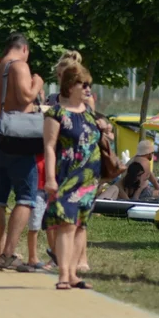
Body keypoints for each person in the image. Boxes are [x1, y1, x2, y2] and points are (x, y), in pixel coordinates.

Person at [0, 33, 44, 270]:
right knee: (26, 197)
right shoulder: (20, 66)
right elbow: (27, 95)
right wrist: (38, 82)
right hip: (21, 141)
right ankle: (7, 253)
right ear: (24, 49)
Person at [43, 63, 101, 290]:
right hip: (67, 174)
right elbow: (49, 146)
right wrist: (49, 178)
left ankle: (74, 273)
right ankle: (63, 275)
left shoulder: (88, 111)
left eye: (89, 85)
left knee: (80, 226)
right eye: (83, 84)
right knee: (66, 224)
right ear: (70, 85)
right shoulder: (56, 113)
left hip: (90, 176)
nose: (88, 89)